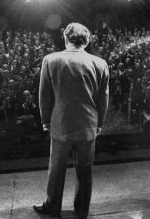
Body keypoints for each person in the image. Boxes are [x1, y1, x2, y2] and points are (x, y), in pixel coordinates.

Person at [34, 23, 109, 219]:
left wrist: (45, 119)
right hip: (88, 124)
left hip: (61, 124)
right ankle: (82, 209)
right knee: (85, 170)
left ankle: (52, 206)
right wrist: (99, 122)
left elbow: (44, 94)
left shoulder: (51, 60)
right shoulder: (100, 63)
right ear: (87, 40)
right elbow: (103, 98)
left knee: (56, 169)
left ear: (66, 39)